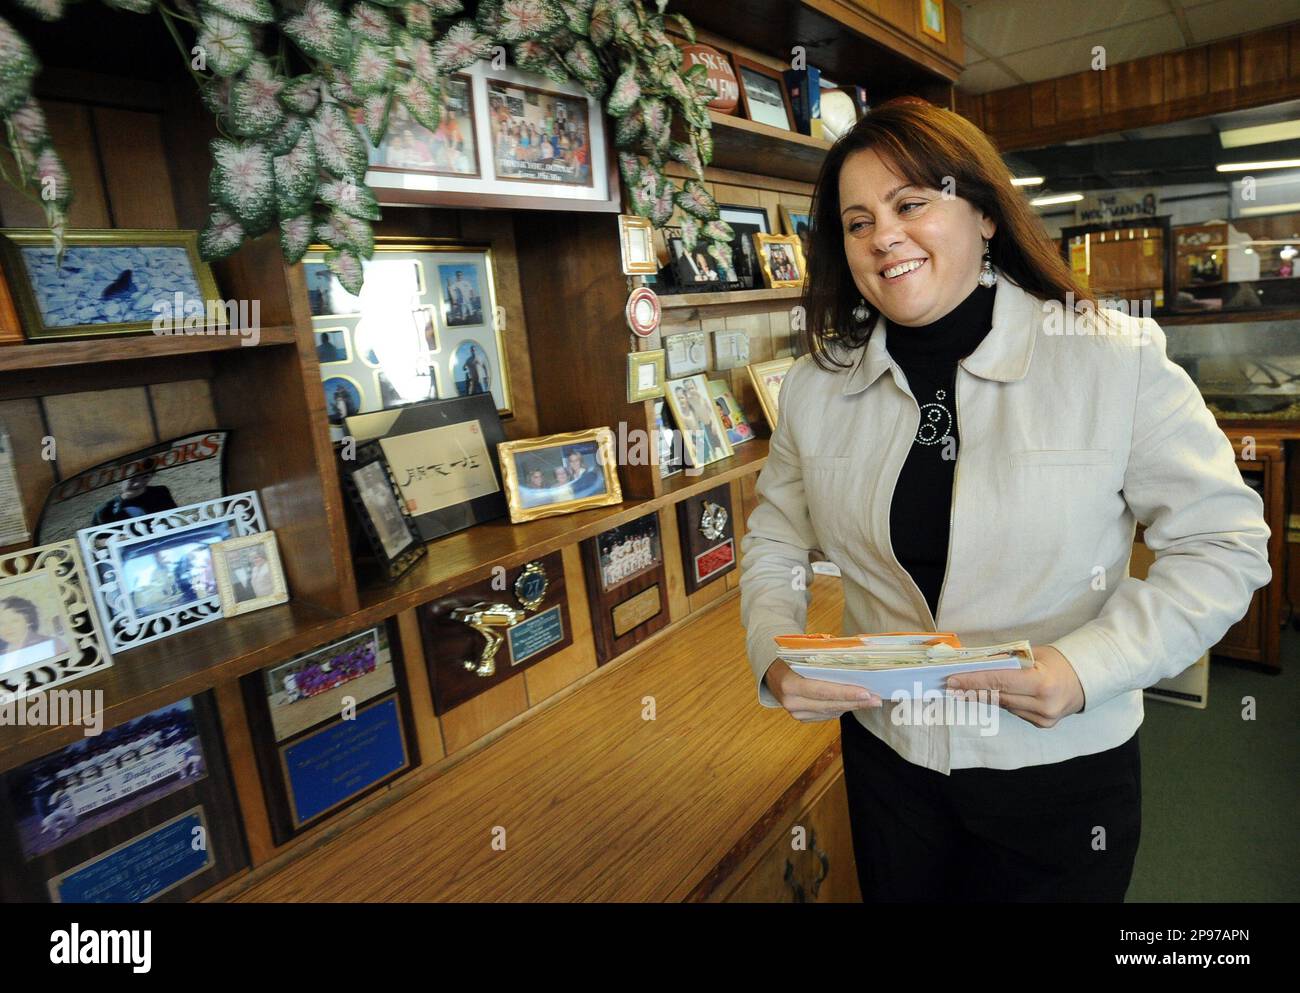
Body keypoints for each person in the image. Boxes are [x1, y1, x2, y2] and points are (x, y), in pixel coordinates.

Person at [738, 99, 1272, 903]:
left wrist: (1085, 666)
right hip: (890, 766)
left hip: (1058, 770)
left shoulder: (1107, 357)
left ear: (984, 214)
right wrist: (773, 651)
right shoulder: (817, 388)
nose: (883, 234)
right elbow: (776, 539)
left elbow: (1225, 545)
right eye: (856, 221)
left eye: (910, 203)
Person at [91, 460, 176, 525]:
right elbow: (95, 541)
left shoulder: (160, 493)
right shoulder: (104, 510)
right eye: (132, 478)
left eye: (145, 477)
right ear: (117, 479)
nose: (138, 483)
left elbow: (174, 518)